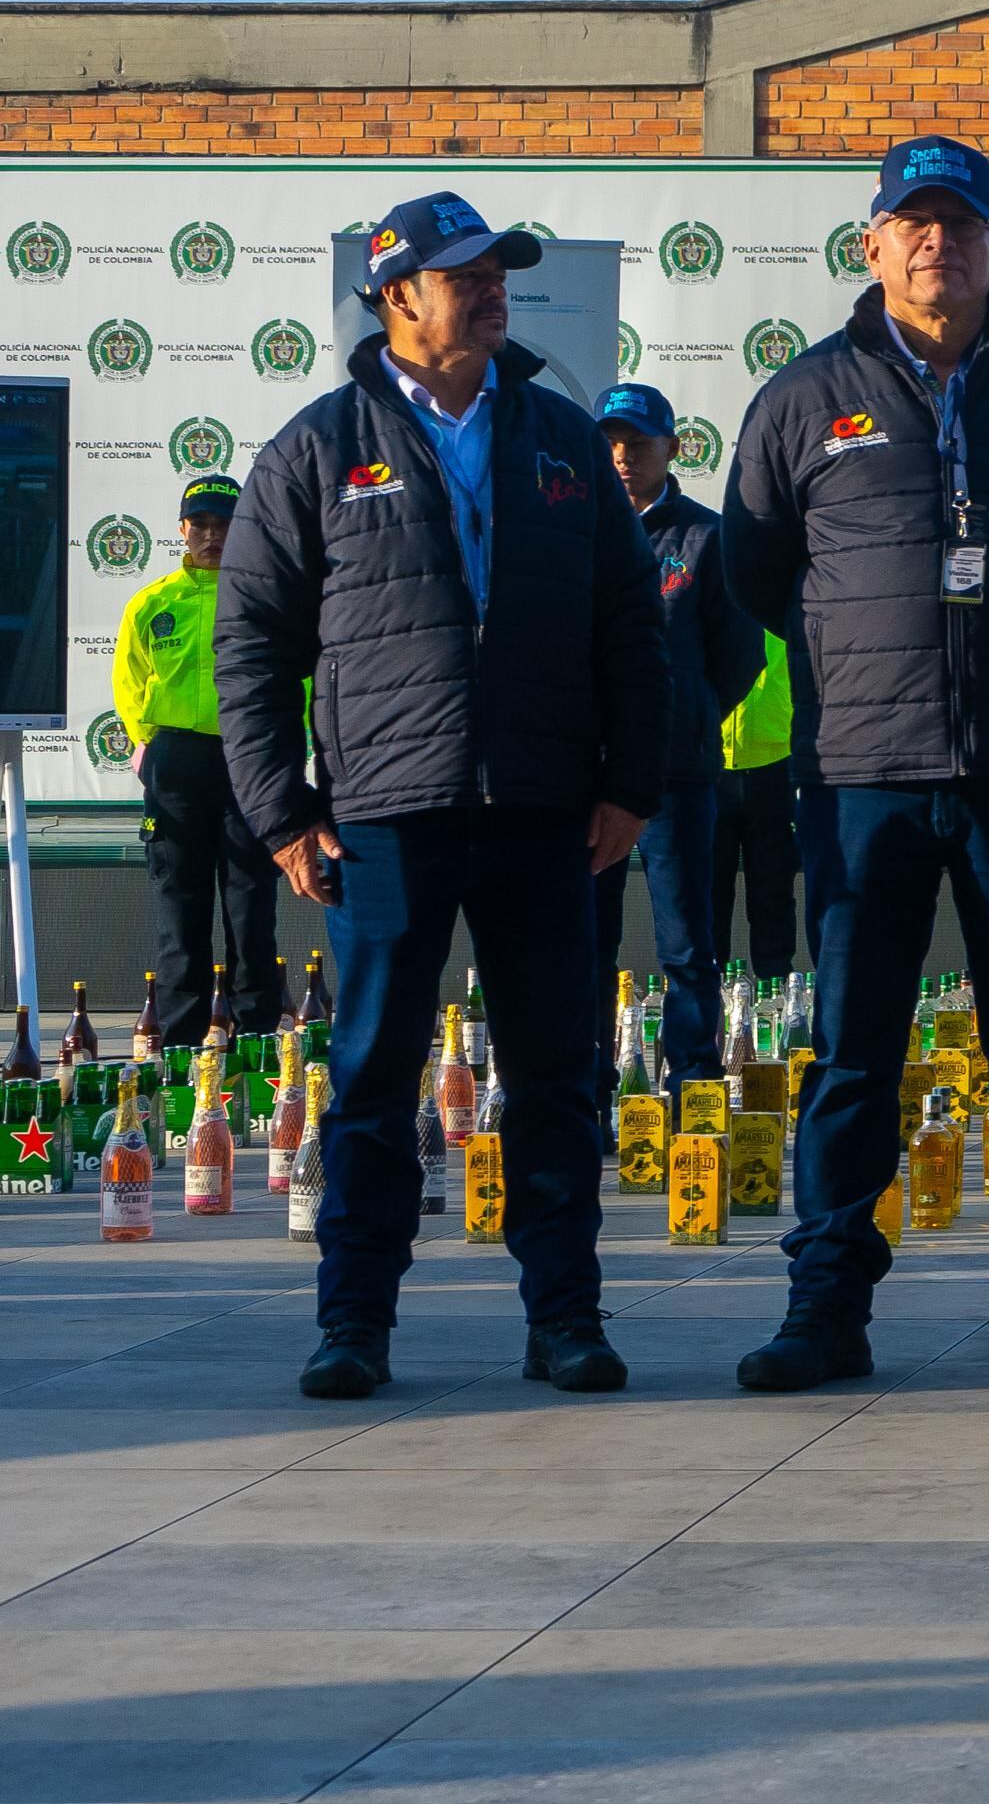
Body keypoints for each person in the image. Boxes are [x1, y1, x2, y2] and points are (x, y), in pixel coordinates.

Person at [720, 137, 989, 1394]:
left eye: (959, 225)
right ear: (869, 246)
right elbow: (758, 573)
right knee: (852, 1047)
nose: (936, 245)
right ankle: (825, 1306)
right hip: (860, 772)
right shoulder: (806, 398)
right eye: (911, 224)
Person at [215, 192, 665, 1400]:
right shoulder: (316, 447)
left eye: (498, 271)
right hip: (384, 817)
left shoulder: (564, 439)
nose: (491, 289)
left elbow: (632, 624)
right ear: (396, 294)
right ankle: (353, 1323)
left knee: (557, 1074)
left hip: (543, 814)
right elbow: (251, 644)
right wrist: (280, 812)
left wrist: (632, 782)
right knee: (370, 1077)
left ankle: (565, 1317)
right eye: (463, 273)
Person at [593, 384, 762, 1082]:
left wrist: (684, 716)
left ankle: (693, 1086)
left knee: (688, 945)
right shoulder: (575, 530)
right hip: (590, 775)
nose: (624, 456)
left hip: (678, 774)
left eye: (639, 442)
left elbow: (740, 656)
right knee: (584, 946)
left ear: (674, 448)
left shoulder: (708, 535)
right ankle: (588, 1093)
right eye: (611, 442)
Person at [115, 474, 278, 1045]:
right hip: (178, 762)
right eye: (201, 525)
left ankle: (257, 1037)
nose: (211, 536)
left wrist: (289, 746)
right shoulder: (153, 602)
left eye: (223, 525)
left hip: (249, 758)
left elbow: (299, 682)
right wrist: (146, 743)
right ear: (182, 529)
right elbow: (129, 679)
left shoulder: (266, 595)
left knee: (250, 903)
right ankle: (183, 1048)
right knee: (180, 905)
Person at [716, 630, 801, 980]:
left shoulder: (776, 592)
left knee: (773, 888)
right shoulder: (707, 592)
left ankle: (777, 990)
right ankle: (708, 992)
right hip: (712, 760)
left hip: (776, 758)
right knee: (706, 890)